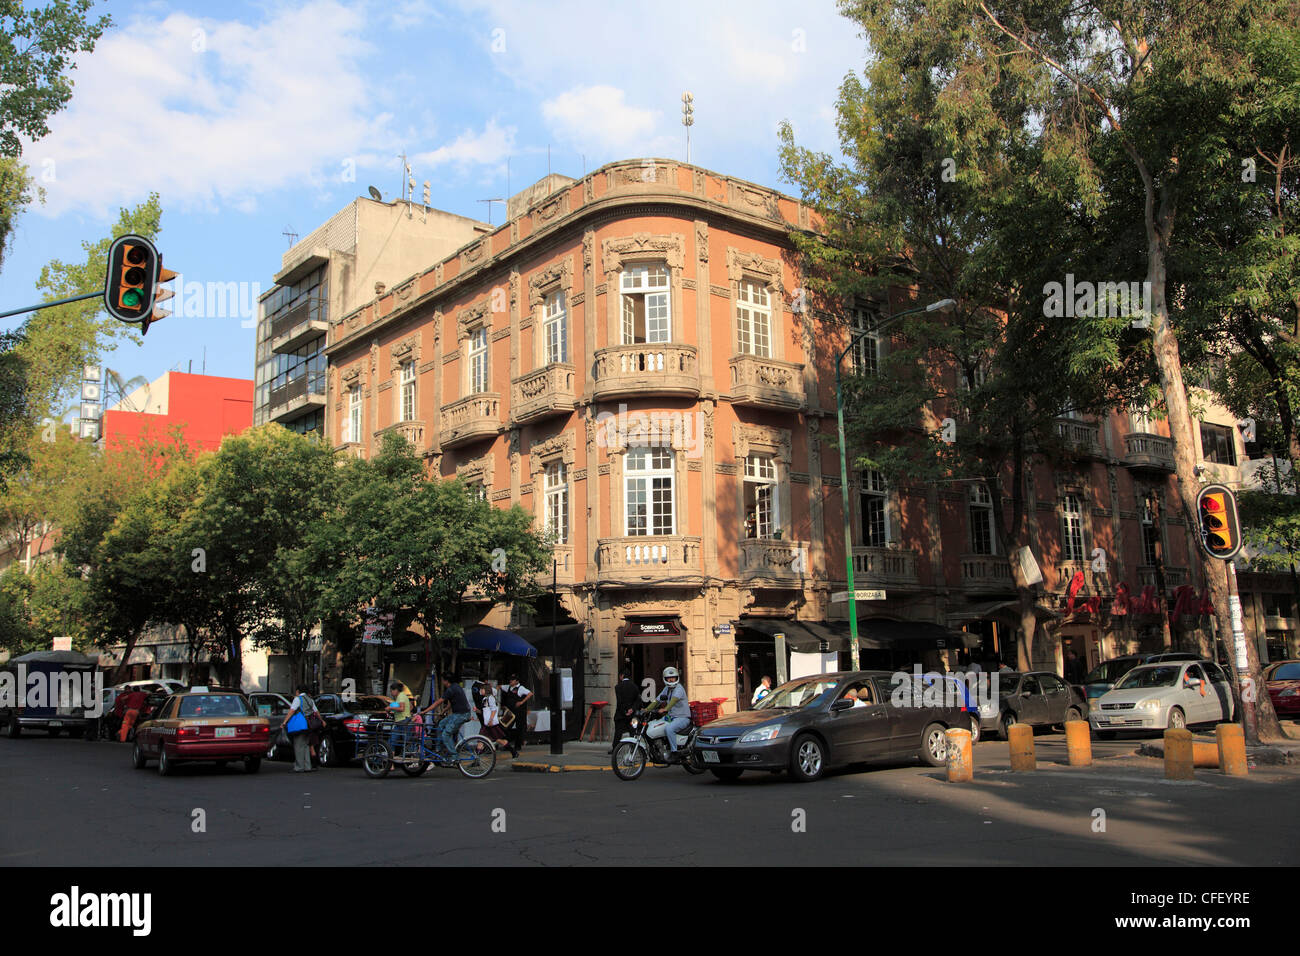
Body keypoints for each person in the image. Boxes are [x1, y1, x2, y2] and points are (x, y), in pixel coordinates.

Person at [420, 673, 472, 760]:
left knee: (446, 734)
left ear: (446, 681)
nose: (442, 681)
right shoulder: (455, 686)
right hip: (459, 714)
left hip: (461, 715)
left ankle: (454, 756)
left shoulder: (451, 690)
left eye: (443, 680)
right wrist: (443, 711)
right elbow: (450, 704)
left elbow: (437, 703)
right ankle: (439, 750)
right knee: (441, 724)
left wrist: (424, 711)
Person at [649, 666, 690, 763]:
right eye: (669, 678)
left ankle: (674, 752)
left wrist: (665, 709)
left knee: (669, 729)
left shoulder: (679, 689)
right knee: (655, 725)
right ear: (665, 679)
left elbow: (673, 701)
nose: (671, 680)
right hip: (671, 717)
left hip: (682, 717)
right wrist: (646, 709)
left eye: (673, 677)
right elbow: (657, 700)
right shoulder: (667, 689)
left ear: (677, 678)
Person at [284, 683, 318, 773]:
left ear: (298, 691)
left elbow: (292, 711)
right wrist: (322, 720)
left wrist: (285, 721)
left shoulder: (298, 699)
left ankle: (299, 767)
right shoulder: (310, 699)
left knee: (298, 745)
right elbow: (316, 711)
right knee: (306, 745)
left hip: (300, 725)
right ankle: (307, 766)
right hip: (309, 725)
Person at [500, 675, 532, 758]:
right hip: (509, 712)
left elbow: (530, 693)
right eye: (510, 680)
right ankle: (507, 743)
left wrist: (521, 702)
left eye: (512, 680)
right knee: (505, 727)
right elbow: (499, 687)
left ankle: (518, 745)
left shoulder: (521, 688)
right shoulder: (508, 687)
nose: (511, 682)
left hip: (518, 712)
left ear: (517, 681)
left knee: (519, 728)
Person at [611, 671, 639, 754]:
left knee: (618, 732)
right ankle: (633, 749)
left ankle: (615, 749)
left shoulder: (618, 687)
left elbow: (620, 702)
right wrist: (632, 709)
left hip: (621, 715)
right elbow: (638, 700)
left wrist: (624, 711)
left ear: (621, 676)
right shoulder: (635, 686)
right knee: (632, 731)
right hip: (632, 715)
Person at [480, 682, 510, 750]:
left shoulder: (491, 698)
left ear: (486, 690)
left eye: (482, 689)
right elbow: (486, 711)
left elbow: (494, 710)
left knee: (498, 740)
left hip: (491, 724)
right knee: (481, 739)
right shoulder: (484, 699)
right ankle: (478, 754)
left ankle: (513, 751)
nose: (481, 691)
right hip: (486, 724)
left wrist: (490, 720)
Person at [386, 681, 413, 753]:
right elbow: (411, 706)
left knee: (406, 742)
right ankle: (390, 761)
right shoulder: (402, 696)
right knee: (392, 741)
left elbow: (402, 708)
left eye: (391, 691)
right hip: (401, 721)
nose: (391, 693)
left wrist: (390, 708)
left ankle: (414, 759)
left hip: (403, 721)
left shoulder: (400, 696)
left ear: (396, 690)